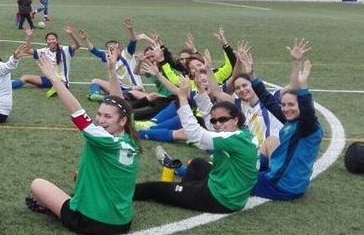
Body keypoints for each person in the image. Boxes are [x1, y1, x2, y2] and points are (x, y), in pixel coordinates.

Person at [26, 53, 139, 235]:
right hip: (123, 222)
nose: (101, 120)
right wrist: (111, 71)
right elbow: (121, 104)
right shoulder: (129, 138)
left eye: (107, 116)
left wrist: (54, 79)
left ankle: (51, 208)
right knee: (79, 176)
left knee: (37, 184)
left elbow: (77, 113)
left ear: (121, 121)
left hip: (90, 222)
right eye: (100, 114)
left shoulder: (105, 140)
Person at [133, 77, 259, 213]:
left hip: (220, 199)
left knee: (156, 189)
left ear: (235, 119)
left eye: (222, 120)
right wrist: (201, 92)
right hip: (231, 191)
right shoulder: (243, 133)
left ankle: (123, 194)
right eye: (215, 121)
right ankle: (183, 192)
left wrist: (182, 98)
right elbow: (209, 121)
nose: (217, 125)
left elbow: (195, 134)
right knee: (197, 163)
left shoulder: (231, 138)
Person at [251, 39, 323, 201]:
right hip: (290, 182)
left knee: (233, 178)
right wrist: (252, 77)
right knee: (271, 141)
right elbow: (268, 100)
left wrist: (303, 87)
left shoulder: (307, 125)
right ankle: (254, 168)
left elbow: (308, 112)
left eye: (291, 104)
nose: (285, 108)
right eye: (283, 104)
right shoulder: (294, 121)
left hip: (281, 186)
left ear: (301, 105)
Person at [12, 25, 83, 97]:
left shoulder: (65, 50)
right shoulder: (44, 51)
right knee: (25, 77)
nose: (51, 41)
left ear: (57, 40)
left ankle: (57, 88)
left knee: (61, 84)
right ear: (46, 42)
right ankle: (7, 86)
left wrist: (71, 34)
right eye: (49, 39)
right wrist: (29, 36)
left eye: (53, 39)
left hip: (61, 80)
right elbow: (27, 51)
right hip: (48, 79)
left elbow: (79, 45)